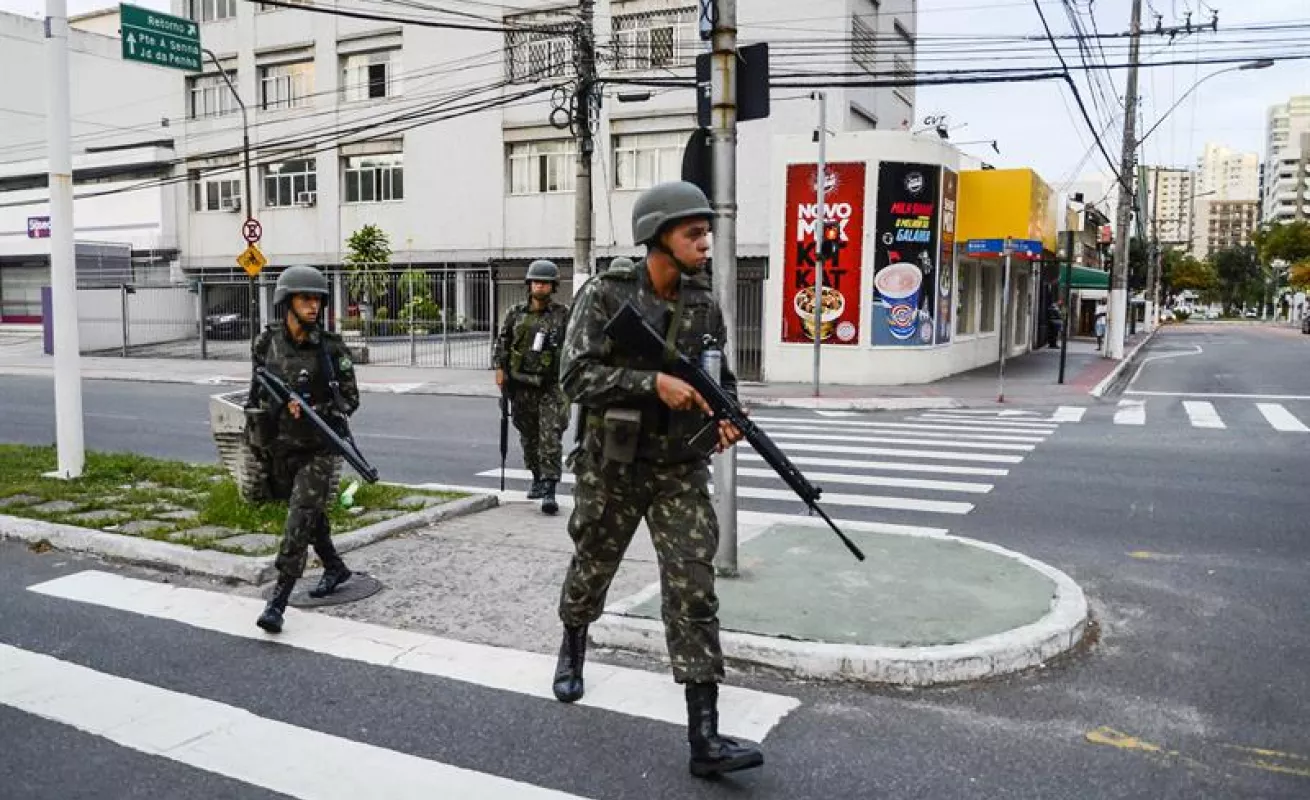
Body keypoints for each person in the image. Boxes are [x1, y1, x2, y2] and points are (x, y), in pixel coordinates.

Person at [550, 181, 764, 779]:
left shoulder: (704, 303)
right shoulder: (605, 294)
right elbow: (574, 378)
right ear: (659, 238)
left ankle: (705, 738)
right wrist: (651, 385)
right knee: (593, 563)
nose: (705, 242)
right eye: (693, 232)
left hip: (678, 469)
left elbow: (722, 378)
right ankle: (573, 643)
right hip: (613, 466)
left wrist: (726, 419)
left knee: (694, 587)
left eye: (706, 231)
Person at [246, 265, 360, 634]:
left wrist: (314, 406)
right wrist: (272, 416)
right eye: (305, 299)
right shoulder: (266, 343)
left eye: (317, 300)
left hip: (318, 448)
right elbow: (256, 393)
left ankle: (278, 601)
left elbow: (350, 401)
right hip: (280, 446)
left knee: (299, 519)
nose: (313, 306)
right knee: (311, 516)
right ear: (287, 302)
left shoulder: (330, 348)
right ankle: (335, 566)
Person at [493, 259, 571, 515]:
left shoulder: (563, 315)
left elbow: (575, 346)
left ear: (553, 286)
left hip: (550, 386)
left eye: (545, 282)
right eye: (536, 281)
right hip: (521, 386)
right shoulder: (515, 313)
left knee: (550, 437)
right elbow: (503, 342)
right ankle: (537, 477)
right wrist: (501, 370)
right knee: (529, 437)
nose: (540, 286)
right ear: (529, 284)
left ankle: (549, 489)